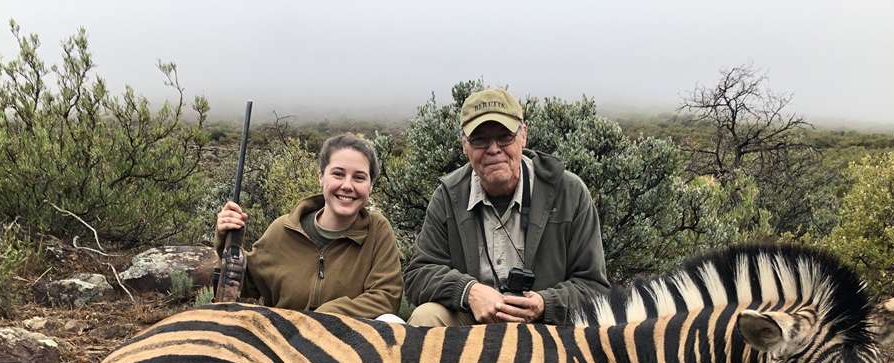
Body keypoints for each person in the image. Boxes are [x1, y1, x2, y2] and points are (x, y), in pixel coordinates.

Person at [404, 87, 609, 327]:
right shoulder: (448, 196)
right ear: (464, 145)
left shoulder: (570, 192)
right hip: (472, 325)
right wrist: (468, 291)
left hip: (548, 329)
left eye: (505, 137)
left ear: (523, 135)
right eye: (479, 139)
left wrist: (546, 303)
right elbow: (418, 274)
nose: (493, 149)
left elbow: (595, 288)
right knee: (426, 317)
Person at [215, 133, 403, 321]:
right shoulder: (284, 230)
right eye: (338, 174)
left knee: (391, 321)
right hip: (285, 335)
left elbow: (386, 296)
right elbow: (246, 283)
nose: (347, 185)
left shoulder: (377, 231)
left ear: (371, 186)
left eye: (359, 178)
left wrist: (323, 318)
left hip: (348, 337)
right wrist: (226, 239)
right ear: (321, 177)